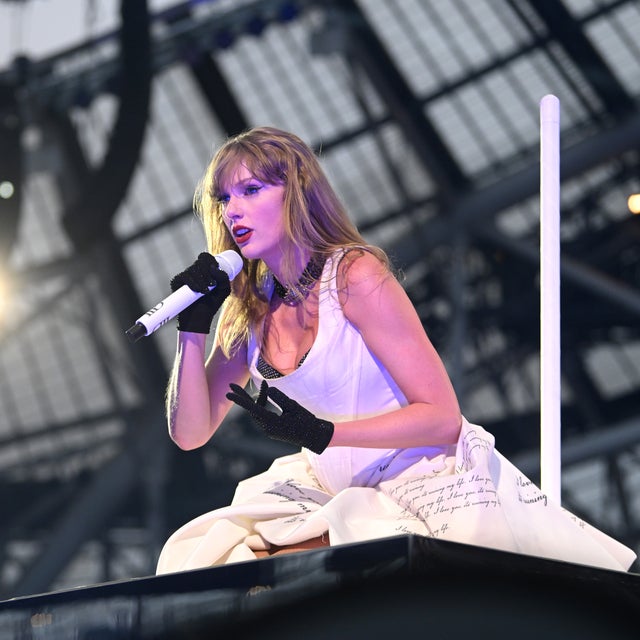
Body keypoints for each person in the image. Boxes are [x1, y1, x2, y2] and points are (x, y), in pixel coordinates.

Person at [155, 126, 635, 574]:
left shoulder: (354, 276)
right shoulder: (247, 314)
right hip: (330, 486)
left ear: (296, 194)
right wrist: (192, 329)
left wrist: (322, 432)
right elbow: (191, 434)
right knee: (214, 552)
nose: (231, 211)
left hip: (418, 479)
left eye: (251, 191)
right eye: (222, 198)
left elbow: (442, 417)